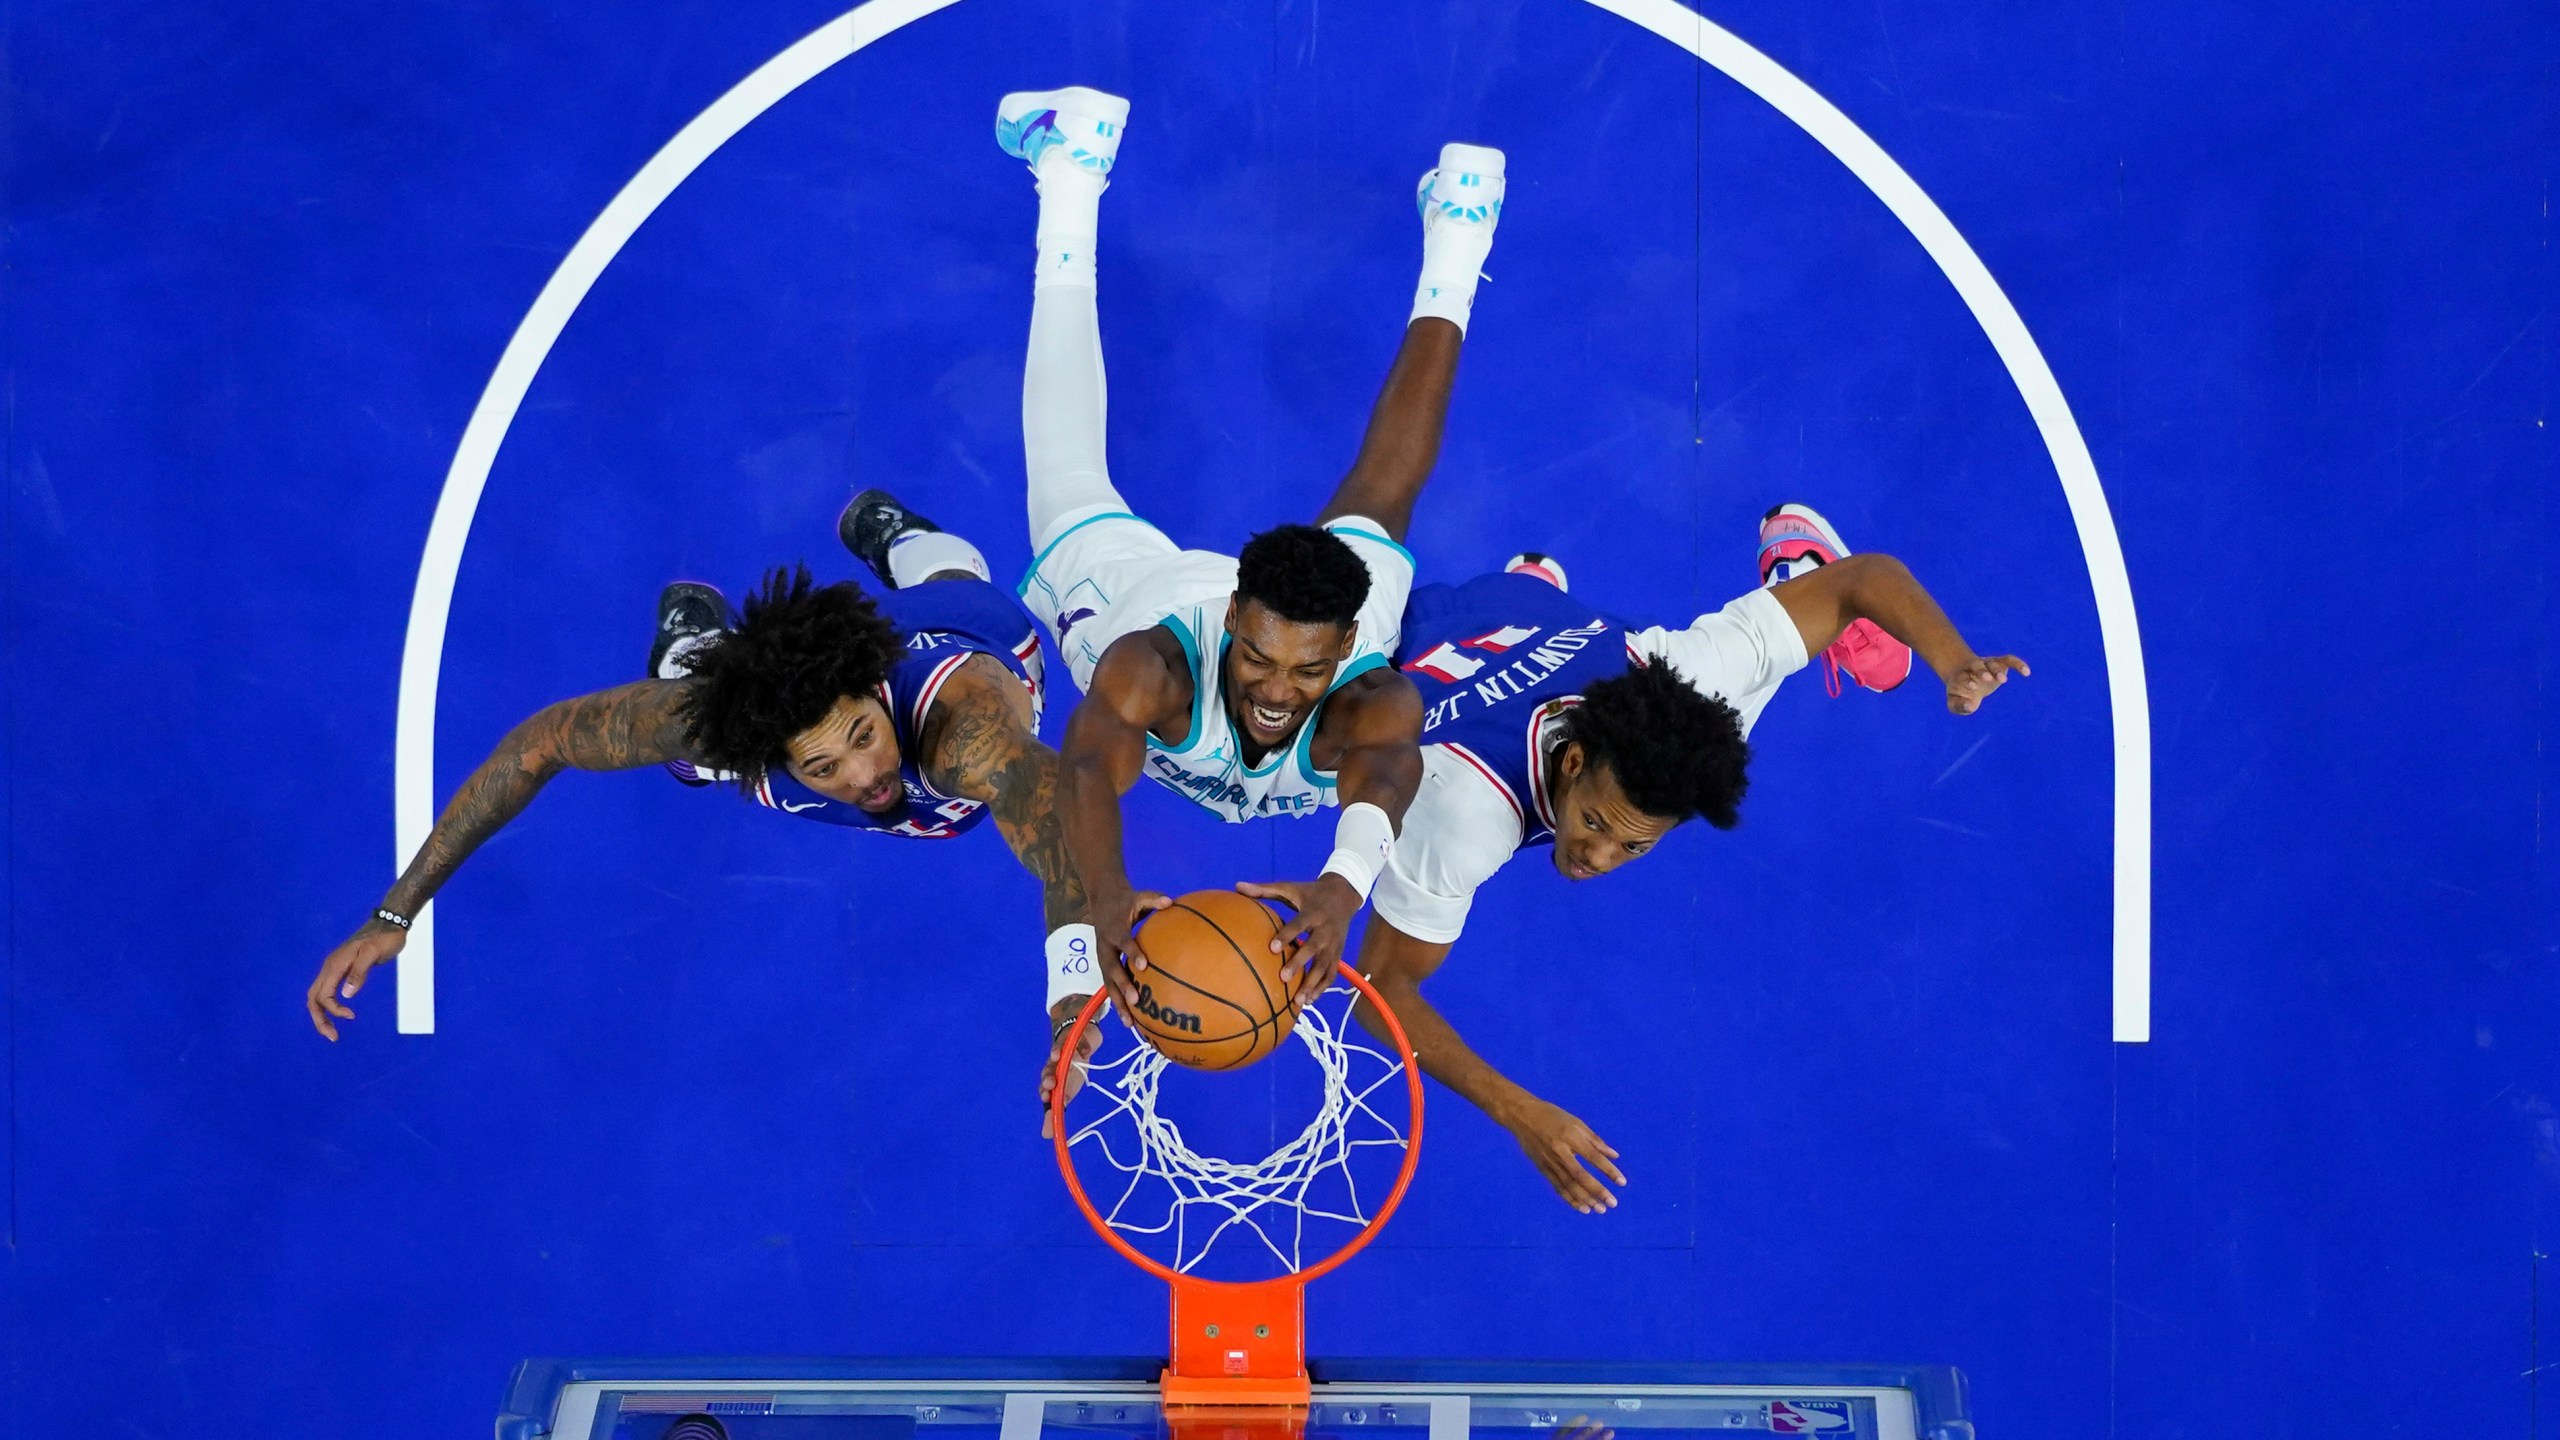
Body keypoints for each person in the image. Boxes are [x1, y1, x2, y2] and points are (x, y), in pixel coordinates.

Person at [987, 87, 1512, 1083]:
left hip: (1309, 609)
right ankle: (1071, 172)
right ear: (1233, 620)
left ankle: (1460, 225)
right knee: (1062, 482)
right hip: (1137, 587)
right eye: (1262, 659)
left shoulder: (1363, 688)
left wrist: (1341, 889)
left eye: (1304, 672)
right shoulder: (1152, 668)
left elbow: (1390, 774)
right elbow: (1087, 772)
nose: (1277, 691)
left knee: (1380, 497)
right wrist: (1105, 896)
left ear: (1341, 650)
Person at [1304, 504, 2028, 1212]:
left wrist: (1956, 663)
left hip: (1558, 630)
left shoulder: (1685, 673)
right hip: (1430, 639)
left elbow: (1862, 576)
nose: (1597, 855)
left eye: (1634, 844)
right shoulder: (1462, 815)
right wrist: (1520, 1112)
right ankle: (1750, 583)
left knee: (1720, 725)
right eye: (1595, 823)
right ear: (1574, 759)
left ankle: (1794, 567)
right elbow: (1379, 985)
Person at [304, 498, 1080, 1040]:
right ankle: (696, 656)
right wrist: (394, 914)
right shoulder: (732, 740)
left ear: (872, 695)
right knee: (693, 749)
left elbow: (1054, 830)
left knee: (948, 580)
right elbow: (537, 744)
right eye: (823, 764)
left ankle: (894, 534)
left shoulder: (961, 731)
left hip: (969, 633)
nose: (863, 775)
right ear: (779, 753)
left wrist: (1071, 996)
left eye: (861, 734)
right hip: (736, 725)